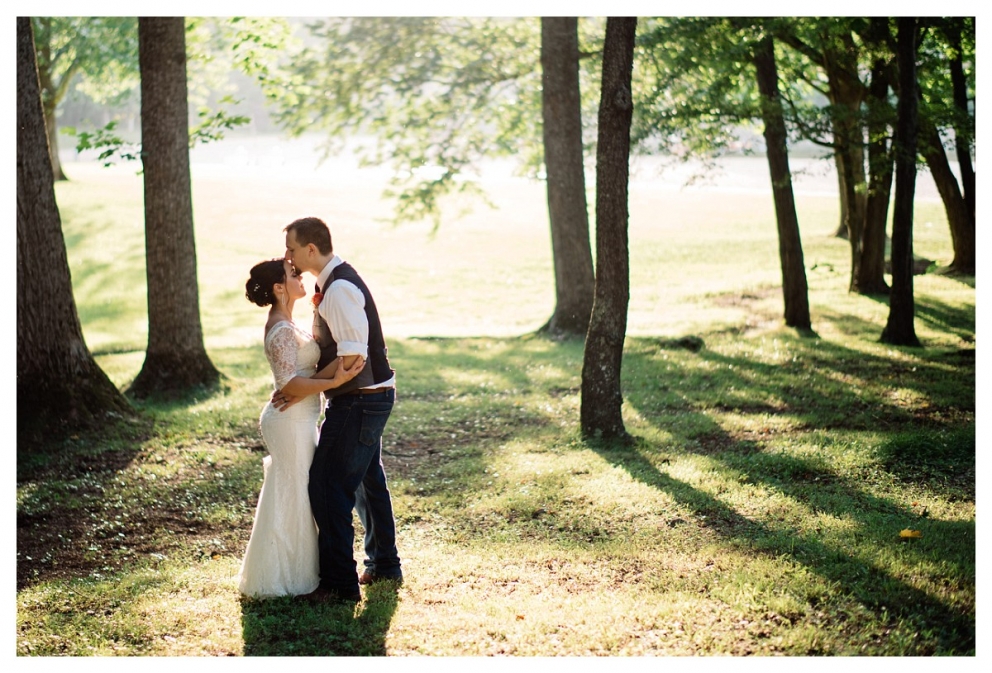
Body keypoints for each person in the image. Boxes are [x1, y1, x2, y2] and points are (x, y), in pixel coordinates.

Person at [274, 216, 402, 603]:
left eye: (292, 249)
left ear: (311, 249)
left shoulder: (341, 289)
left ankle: (338, 585)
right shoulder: (330, 284)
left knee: (327, 486)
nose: (288, 257)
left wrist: (309, 388)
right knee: (367, 481)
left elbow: (352, 358)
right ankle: (384, 564)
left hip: (360, 401)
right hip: (366, 398)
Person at [238, 258, 365, 598]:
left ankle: (302, 570)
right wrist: (336, 379)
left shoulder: (287, 322)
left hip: (301, 417)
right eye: (293, 275)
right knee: (296, 492)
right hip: (289, 423)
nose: (299, 276)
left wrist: (338, 371)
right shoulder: (280, 329)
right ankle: (289, 577)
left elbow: (299, 380)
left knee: (298, 490)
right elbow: (290, 384)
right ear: (279, 288)